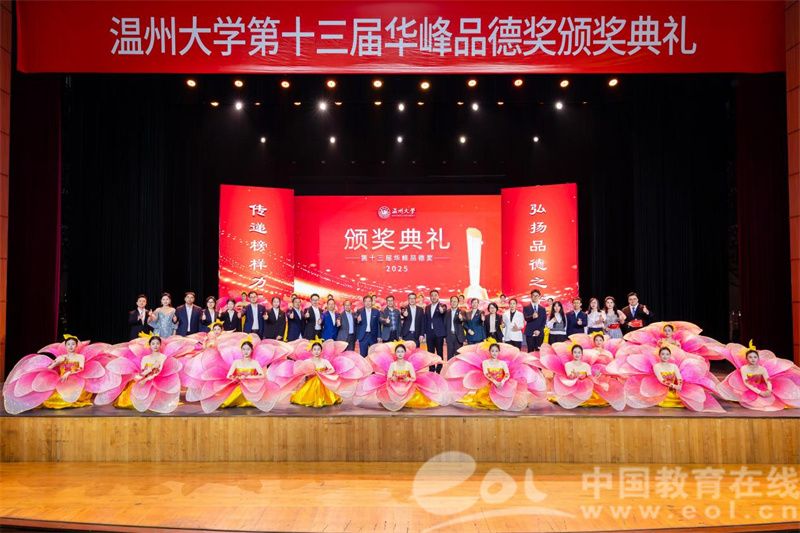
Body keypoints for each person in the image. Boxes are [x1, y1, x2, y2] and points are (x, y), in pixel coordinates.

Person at [290, 339, 341, 407]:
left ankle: (322, 399)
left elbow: (332, 370)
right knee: (315, 382)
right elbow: (302, 371)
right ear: (311, 351)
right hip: (311, 381)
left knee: (318, 381)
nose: (316, 351)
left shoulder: (324, 361)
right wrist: (310, 373)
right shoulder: (308, 361)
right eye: (315, 349)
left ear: (321, 351)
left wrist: (324, 373)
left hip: (323, 382)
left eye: (318, 349)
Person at [220, 338, 264, 408]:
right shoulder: (236, 362)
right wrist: (238, 377)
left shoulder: (255, 362)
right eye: (244, 349)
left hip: (250, 386)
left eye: (248, 349)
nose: (246, 351)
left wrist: (248, 377)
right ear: (241, 350)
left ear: (252, 350)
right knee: (228, 400)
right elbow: (229, 375)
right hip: (239, 384)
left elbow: (262, 375)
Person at [423, 290, 448, 365]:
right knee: (430, 352)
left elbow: (443, 311)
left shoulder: (442, 306)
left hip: (439, 333)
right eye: (432, 295)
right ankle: (431, 367)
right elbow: (426, 320)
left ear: (438, 296)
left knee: (439, 352)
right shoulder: (427, 307)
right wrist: (424, 333)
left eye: (435, 295)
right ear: (430, 297)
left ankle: (439, 368)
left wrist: (441, 310)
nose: (433, 297)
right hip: (429, 333)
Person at [444, 295, 466, 361]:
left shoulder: (462, 312)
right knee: (450, 356)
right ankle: (449, 367)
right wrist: (444, 337)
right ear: (450, 302)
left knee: (458, 356)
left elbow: (464, 320)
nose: (453, 303)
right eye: (452, 301)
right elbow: (445, 324)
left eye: (455, 301)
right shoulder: (447, 312)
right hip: (449, 336)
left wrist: (461, 318)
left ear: (458, 302)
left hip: (458, 337)